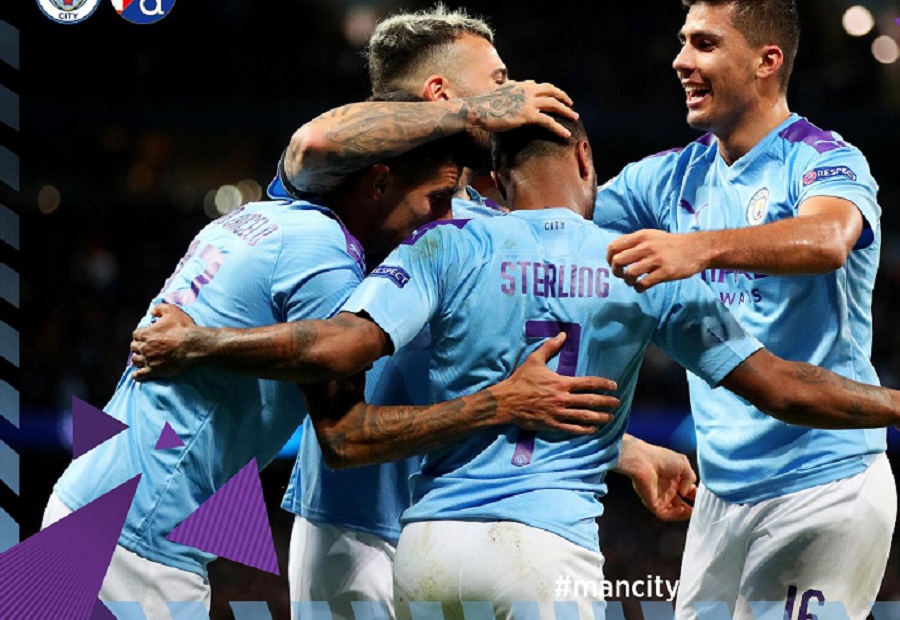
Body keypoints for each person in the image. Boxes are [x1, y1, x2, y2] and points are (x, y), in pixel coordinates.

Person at [131, 116, 900, 620]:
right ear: (586, 159)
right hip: (546, 551)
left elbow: (336, 345)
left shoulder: (444, 244)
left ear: (492, 181)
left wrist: (201, 342)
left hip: (428, 550)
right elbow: (785, 387)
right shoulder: (642, 262)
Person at [42, 133, 619, 620]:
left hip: (95, 500)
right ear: (380, 182)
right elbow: (346, 438)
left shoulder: (263, 217)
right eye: (437, 199)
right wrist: (502, 403)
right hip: (139, 542)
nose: (445, 219)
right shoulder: (327, 260)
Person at [267, 8, 697, 619]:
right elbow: (312, 144)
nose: (515, 93)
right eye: (499, 82)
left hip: (447, 523)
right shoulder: (357, 184)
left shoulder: (491, 226)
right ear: (442, 93)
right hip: (353, 521)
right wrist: (473, 115)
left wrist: (622, 449)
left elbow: (504, 385)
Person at [593, 0, 895, 618]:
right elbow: (556, 216)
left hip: (825, 481)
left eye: (704, 43)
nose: (681, 60)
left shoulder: (822, 157)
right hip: (721, 494)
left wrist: (697, 247)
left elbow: (827, 238)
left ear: (766, 60)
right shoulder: (671, 177)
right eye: (682, 41)